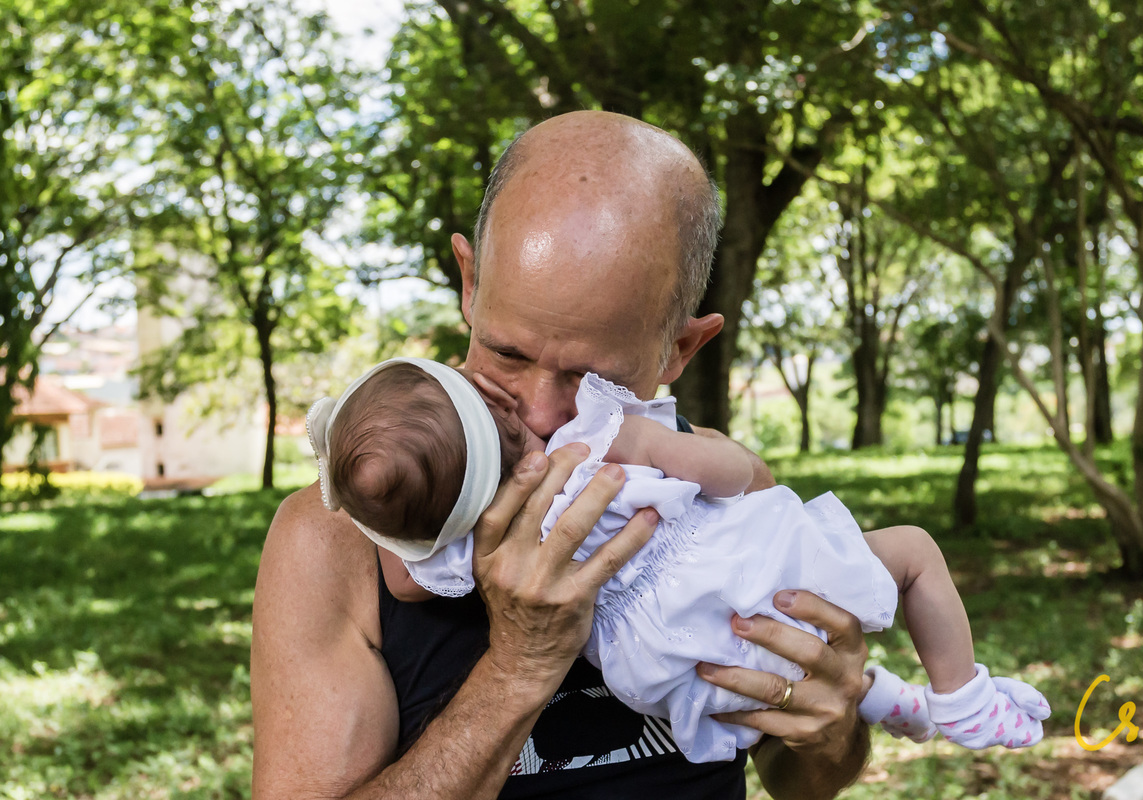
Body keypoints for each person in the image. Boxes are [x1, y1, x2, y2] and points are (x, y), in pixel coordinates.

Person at [251, 110, 873, 800]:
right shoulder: (339, 540)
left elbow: (803, 782)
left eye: (590, 376)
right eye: (507, 354)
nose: (542, 412)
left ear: (681, 348)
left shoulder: (716, 485)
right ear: (469, 281)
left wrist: (830, 729)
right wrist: (520, 664)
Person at [307, 359, 1051, 764]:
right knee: (915, 552)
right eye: (504, 364)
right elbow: (736, 477)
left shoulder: (470, 548)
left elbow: (405, 577)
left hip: (666, 669)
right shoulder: (604, 441)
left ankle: (897, 702)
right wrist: (689, 448)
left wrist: (375, 498)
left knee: (796, 682)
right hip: (753, 580)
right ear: (492, 409)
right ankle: (961, 697)